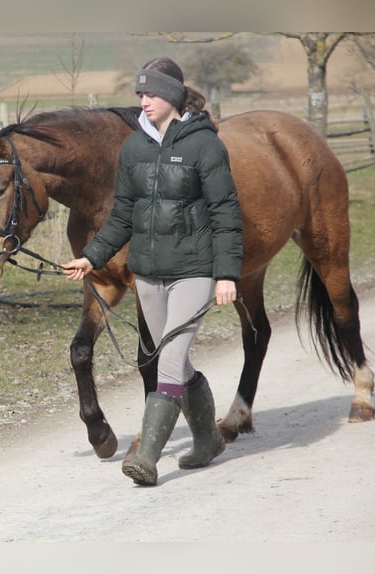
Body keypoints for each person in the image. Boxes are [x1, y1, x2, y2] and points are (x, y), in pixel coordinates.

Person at [62, 57, 243, 486]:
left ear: (174, 96)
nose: (144, 101)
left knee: (168, 361)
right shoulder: (135, 148)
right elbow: (123, 214)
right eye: (141, 94)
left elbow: (225, 212)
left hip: (195, 271)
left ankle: (146, 457)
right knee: (174, 363)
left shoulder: (205, 145)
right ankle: (206, 440)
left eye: (153, 94)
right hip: (148, 272)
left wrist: (227, 274)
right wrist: (92, 255)